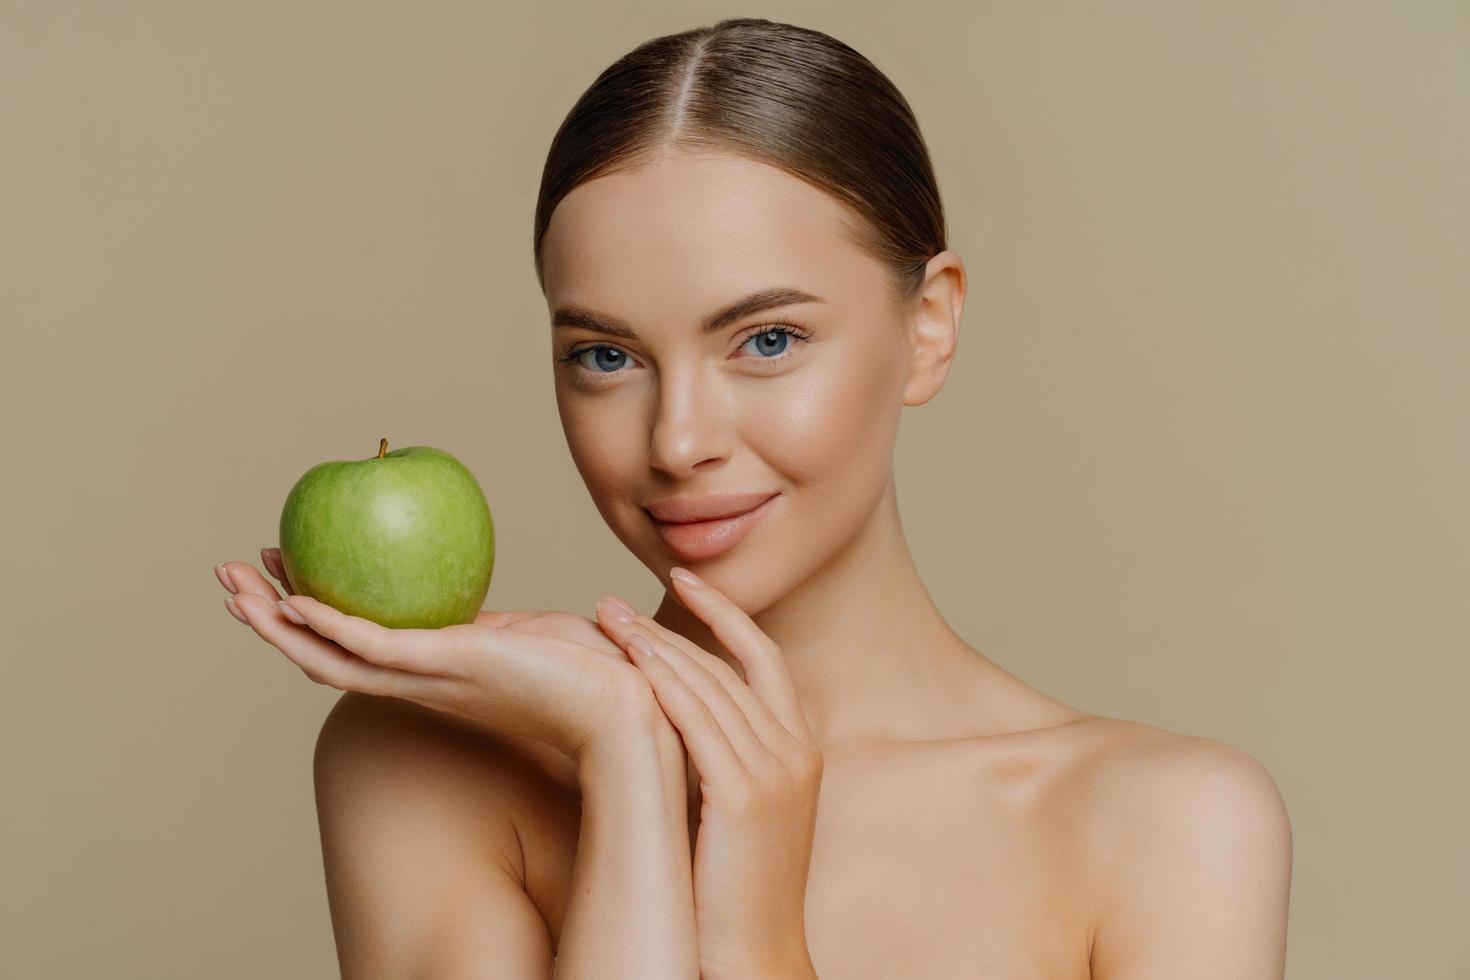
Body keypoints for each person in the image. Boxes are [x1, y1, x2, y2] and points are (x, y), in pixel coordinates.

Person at [215, 16, 1292, 978]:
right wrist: (625, 753)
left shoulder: (1172, 827)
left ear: (930, 325)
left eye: (766, 340)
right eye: (605, 356)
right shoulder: (421, 761)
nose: (678, 440)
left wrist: (757, 937)